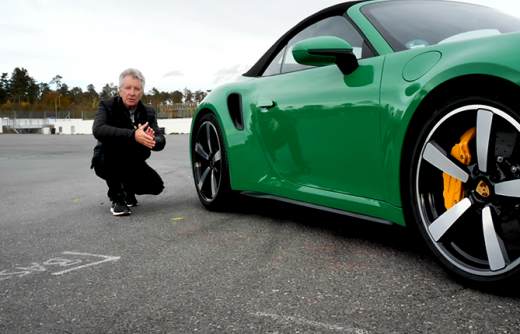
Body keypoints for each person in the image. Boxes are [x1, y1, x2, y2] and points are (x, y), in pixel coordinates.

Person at [91, 68, 166, 216]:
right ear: (120, 90)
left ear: (142, 93)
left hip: (133, 161)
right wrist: (133, 135)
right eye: (128, 88)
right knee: (112, 142)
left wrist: (151, 140)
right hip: (106, 160)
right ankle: (117, 198)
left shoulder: (148, 112)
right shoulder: (107, 105)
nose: (132, 93)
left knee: (156, 186)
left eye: (136, 89)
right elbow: (98, 130)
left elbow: (161, 140)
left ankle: (127, 189)